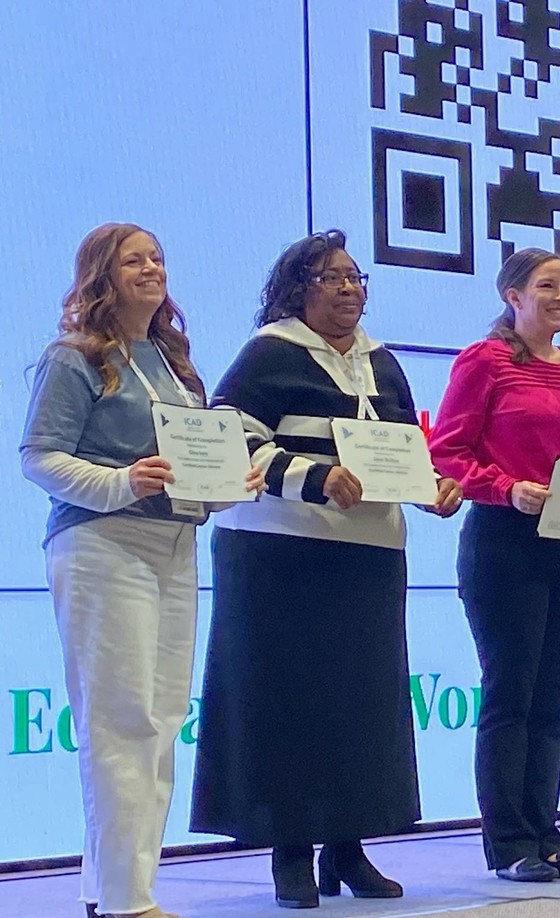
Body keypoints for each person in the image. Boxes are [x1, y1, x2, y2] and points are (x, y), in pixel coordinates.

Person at [188, 230, 462, 909]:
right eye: (331, 278)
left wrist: (435, 488)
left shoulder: (383, 363)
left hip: (366, 556)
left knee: (359, 707)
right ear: (296, 289)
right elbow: (231, 437)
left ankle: (349, 846)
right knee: (292, 704)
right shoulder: (269, 354)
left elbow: (405, 448)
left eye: (355, 277)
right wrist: (312, 476)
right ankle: (290, 853)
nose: (349, 289)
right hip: (280, 554)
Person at [20, 223, 259, 918]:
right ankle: (128, 901)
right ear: (102, 274)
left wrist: (225, 484)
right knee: (120, 720)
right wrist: (123, 481)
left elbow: (193, 464)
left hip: (174, 544)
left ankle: (115, 891)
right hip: (101, 541)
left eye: (157, 258)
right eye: (134, 260)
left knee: (159, 719)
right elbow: (41, 457)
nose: (151, 269)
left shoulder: (174, 362)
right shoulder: (74, 358)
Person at [429, 247, 560, 882]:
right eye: (547, 286)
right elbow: (448, 451)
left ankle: (546, 834)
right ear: (512, 296)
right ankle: (508, 842)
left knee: (552, 700)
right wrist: (504, 487)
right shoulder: (484, 360)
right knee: (510, 694)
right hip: (503, 544)